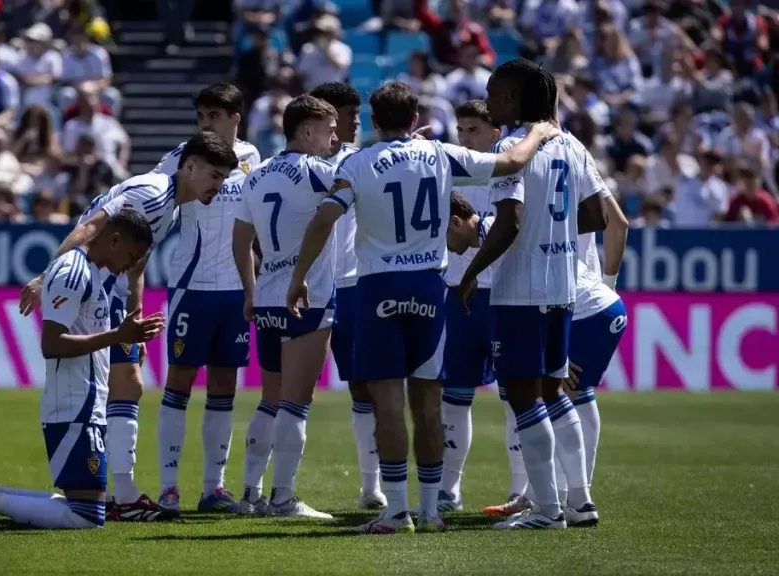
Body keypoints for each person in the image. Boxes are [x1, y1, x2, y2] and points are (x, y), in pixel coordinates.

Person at [287, 81, 557, 534]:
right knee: (428, 400)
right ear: (414, 120)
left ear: (375, 122)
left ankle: (396, 511)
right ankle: (431, 510)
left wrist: (299, 277)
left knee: (388, 401)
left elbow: (325, 218)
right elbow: (511, 160)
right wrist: (540, 132)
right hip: (431, 287)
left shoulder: (357, 162)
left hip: (377, 289)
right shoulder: (440, 154)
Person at [18, 131, 239, 521]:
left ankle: (121, 491)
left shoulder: (169, 204)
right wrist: (47, 274)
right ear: (189, 167)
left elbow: (137, 262)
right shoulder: (153, 193)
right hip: (94, 290)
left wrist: (134, 313)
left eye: (222, 178)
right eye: (214, 176)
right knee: (119, 385)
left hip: (113, 296)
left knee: (129, 384)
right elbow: (92, 226)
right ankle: (121, 493)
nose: (217, 186)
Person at [0, 211, 163, 530]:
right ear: (115, 240)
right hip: (74, 403)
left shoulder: (92, 272)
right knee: (88, 516)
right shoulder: (72, 271)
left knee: (88, 506)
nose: (130, 267)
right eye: (131, 257)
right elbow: (51, 344)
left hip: (85, 402)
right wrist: (119, 337)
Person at [458, 58, 608, 530]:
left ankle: (546, 510)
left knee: (525, 399)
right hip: (563, 287)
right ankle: (580, 501)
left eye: (494, 92)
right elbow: (597, 216)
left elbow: (510, 221)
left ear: (511, 99)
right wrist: (555, 231)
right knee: (554, 393)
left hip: (520, 290)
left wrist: (472, 273)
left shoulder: (510, 147)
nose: (489, 100)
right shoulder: (571, 145)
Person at [483, 158, 628, 522]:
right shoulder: (571, 152)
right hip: (570, 289)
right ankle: (557, 497)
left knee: (560, 393)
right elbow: (612, 220)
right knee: (564, 393)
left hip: (564, 292)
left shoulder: (532, 156)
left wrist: (604, 285)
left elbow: (616, 222)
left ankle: (568, 500)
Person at [149, 83, 261, 514]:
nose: (205, 123)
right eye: (201, 117)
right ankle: (169, 488)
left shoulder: (252, 159)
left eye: (213, 115)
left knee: (224, 388)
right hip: (191, 288)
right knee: (178, 384)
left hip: (235, 291)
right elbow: (153, 198)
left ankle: (214, 488)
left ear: (236, 117)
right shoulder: (181, 157)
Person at [232, 95, 338, 519]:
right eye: (328, 130)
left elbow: (240, 242)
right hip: (306, 298)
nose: (333, 139)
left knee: (269, 399)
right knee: (297, 402)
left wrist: (249, 293)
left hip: (268, 298)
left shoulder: (254, 177)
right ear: (307, 130)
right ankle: (283, 498)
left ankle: (248, 493)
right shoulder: (321, 174)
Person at [308, 82, 385, 510]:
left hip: (355, 287)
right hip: (313, 287)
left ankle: (371, 486)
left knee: (363, 386)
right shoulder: (297, 167)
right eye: (350, 114)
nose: (358, 121)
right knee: (288, 390)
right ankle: (271, 489)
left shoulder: (364, 161)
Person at [433, 100, 501, 513]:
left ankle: (520, 490)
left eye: (473, 130)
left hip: (504, 295)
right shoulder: (446, 170)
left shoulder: (509, 172)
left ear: (495, 135)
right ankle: (449, 489)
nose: (465, 138)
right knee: (454, 397)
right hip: (458, 295)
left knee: (517, 396)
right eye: (460, 130)